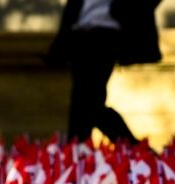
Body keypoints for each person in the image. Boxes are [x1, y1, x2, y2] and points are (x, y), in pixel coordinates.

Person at [47, 0, 162, 145]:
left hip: (106, 36)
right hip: (79, 36)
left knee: (88, 100)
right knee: (83, 99)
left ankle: (128, 146)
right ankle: (79, 147)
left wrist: (131, 12)